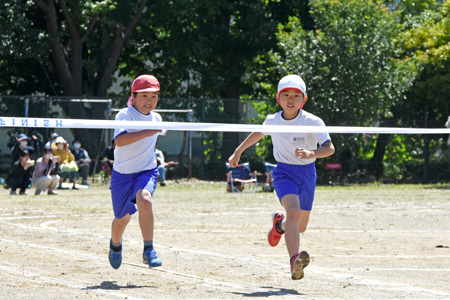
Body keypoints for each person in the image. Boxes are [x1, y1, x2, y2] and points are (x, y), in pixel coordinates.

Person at [228, 74, 335, 280]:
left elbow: (329, 148)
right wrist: (238, 151)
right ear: (278, 98)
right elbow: (258, 133)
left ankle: (279, 225)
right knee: (293, 211)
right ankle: (294, 261)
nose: (291, 99)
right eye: (286, 95)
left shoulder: (312, 121)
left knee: (299, 225)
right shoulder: (272, 120)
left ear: (304, 99)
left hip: (307, 173)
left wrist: (312, 153)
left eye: (296, 95)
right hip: (284, 172)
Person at [108, 74, 166, 270]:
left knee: (145, 199)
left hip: (147, 171)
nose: (150, 101)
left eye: (154, 96)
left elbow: (158, 134)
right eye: (144, 96)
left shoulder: (157, 118)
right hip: (122, 175)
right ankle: (115, 244)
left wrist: (156, 130)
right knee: (121, 220)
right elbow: (120, 141)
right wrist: (152, 130)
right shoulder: (124, 115)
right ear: (134, 96)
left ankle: (148, 249)